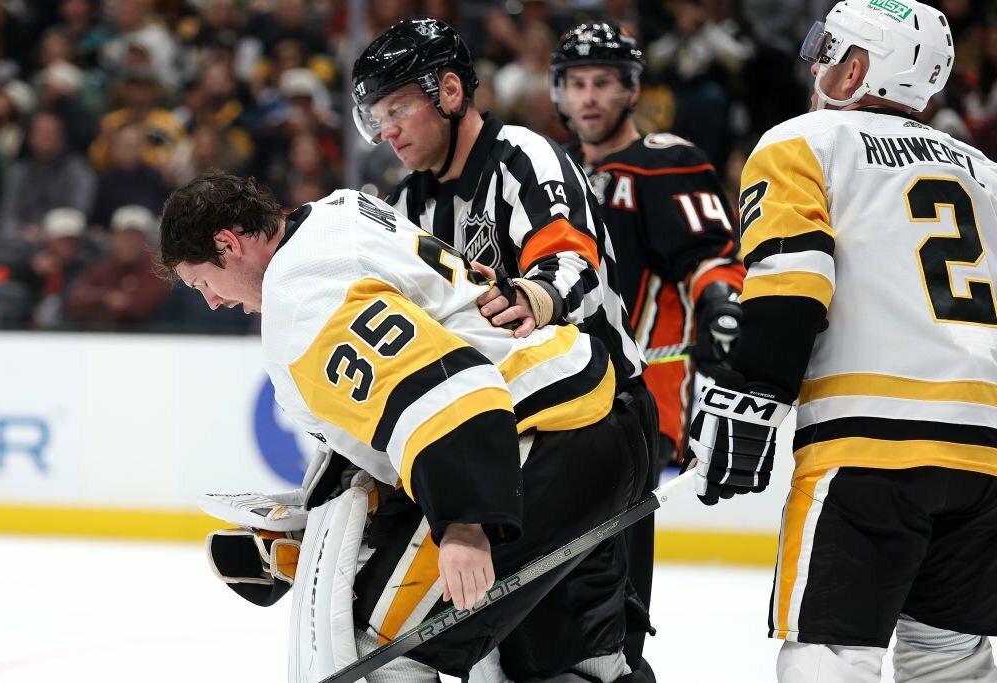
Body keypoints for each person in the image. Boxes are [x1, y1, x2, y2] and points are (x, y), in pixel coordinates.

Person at [158, 170, 646, 683]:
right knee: (567, 664)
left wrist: (464, 525)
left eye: (202, 283)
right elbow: (399, 407)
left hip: (540, 439)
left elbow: (446, 388)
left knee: (378, 651)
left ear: (227, 244)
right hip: (590, 409)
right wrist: (319, 514)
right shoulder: (340, 211)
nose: (212, 301)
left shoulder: (300, 303)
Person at [682, 1, 997, 681]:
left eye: (830, 50)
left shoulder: (804, 141)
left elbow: (794, 282)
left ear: (857, 69)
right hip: (985, 454)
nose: (817, 65)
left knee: (829, 657)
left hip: (869, 449)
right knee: (951, 661)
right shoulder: (985, 173)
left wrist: (752, 395)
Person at [351, 18, 658, 679]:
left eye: (397, 109)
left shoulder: (522, 155)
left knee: (579, 656)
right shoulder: (406, 205)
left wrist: (535, 295)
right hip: (507, 433)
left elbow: (572, 262)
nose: (386, 132)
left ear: (449, 91)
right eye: (375, 118)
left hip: (592, 422)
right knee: (513, 655)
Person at [551, 20, 747, 665]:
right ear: (558, 92)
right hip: (560, 399)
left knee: (608, 598)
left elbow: (711, 257)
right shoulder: (552, 174)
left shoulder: (664, 161)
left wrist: (720, 304)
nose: (589, 97)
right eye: (577, 83)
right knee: (557, 592)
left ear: (632, 90)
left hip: (634, 406)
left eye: (603, 82)